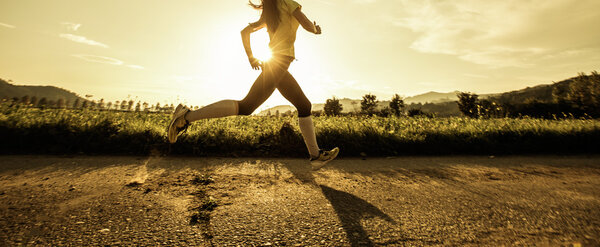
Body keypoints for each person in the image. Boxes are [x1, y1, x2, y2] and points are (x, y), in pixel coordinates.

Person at [167, 0, 339, 170]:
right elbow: (307, 24)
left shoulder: (271, 10)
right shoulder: (288, 3)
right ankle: (187, 116)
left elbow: (245, 32)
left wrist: (251, 57)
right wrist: (316, 29)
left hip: (277, 63)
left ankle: (316, 156)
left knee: (304, 105)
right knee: (247, 106)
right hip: (278, 63)